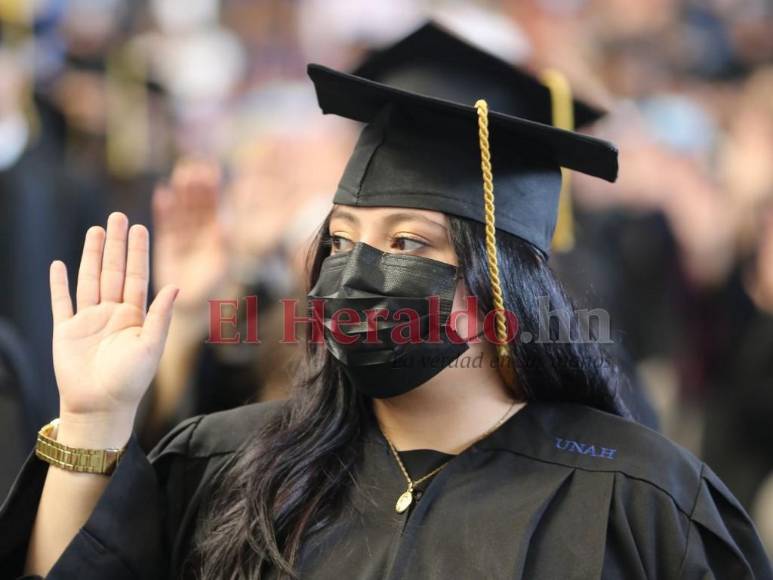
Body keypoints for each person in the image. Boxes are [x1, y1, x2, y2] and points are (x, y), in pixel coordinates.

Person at [2, 60, 772, 580]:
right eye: (339, 239)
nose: (358, 270)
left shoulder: (639, 500)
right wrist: (92, 423)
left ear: (498, 282)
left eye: (408, 241)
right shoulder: (228, 463)